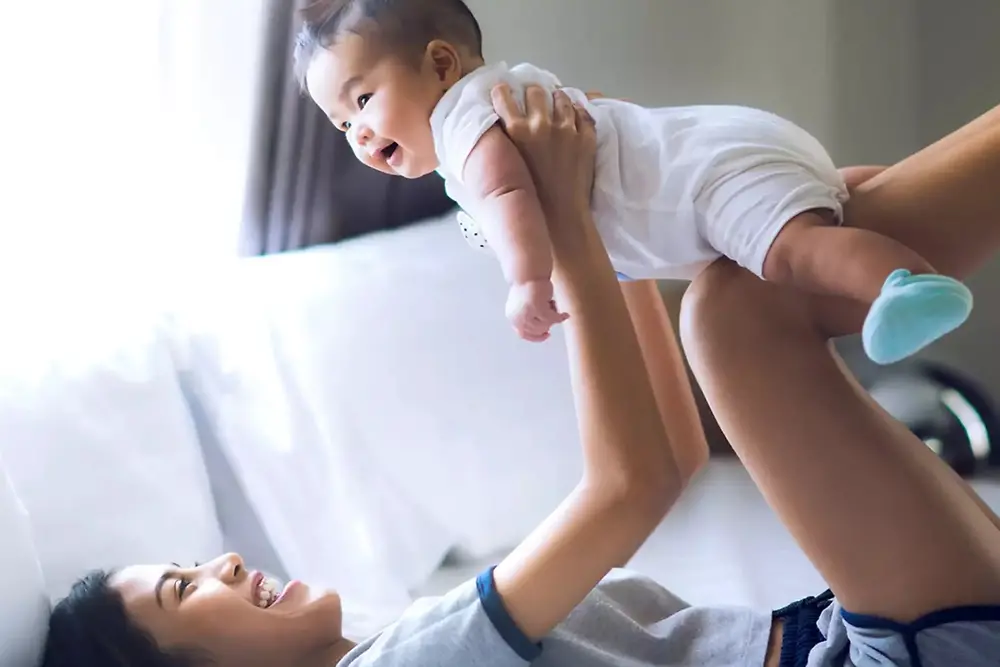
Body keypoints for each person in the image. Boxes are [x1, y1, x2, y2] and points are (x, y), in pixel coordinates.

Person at [41, 79, 1000, 665]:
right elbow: (627, 488)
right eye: (184, 588)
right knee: (733, 312)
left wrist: (613, 241)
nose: (225, 562)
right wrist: (571, 225)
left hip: (879, 639)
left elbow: (665, 460)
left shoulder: (391, 640)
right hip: (898, 653)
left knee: (754, 266)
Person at [293, 0, 972, 366]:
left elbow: (508, 197)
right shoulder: (500, 95)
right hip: (707, 157)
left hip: (703, 183)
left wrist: (528, 282)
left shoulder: (463, 121)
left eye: (362, 101)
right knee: (827, 209)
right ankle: (887, 205)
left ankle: (902, 282)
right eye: (337, 123)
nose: (354, 132)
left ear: (440, 63)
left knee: (790, 253)